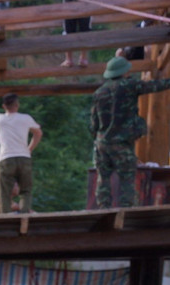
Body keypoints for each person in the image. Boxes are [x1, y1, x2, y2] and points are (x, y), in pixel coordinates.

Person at [90, 55, 170, 208]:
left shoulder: (99, 92)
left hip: (101, 142)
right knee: (127, 177)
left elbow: (94, 123)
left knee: (103, 178)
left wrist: (99, 137)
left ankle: (102, 209)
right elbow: (154, 85)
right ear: (124, 72)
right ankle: (126, 209)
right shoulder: (129, 85)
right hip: (122, 142)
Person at [0, 93, 41, 213]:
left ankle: (6, 216)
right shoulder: (26, 118)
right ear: (17, 105)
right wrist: (29, 148)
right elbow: (38, 133)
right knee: (25, 190)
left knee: (4, 191)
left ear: (4, 106)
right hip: (24, 156)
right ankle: (24, 214)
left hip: (5, 157)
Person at [62, 0, 90, 69]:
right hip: (72, 4)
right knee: (70, 30)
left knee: (84, 30)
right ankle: (71, 59)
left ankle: (80, 59)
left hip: (83, 4)